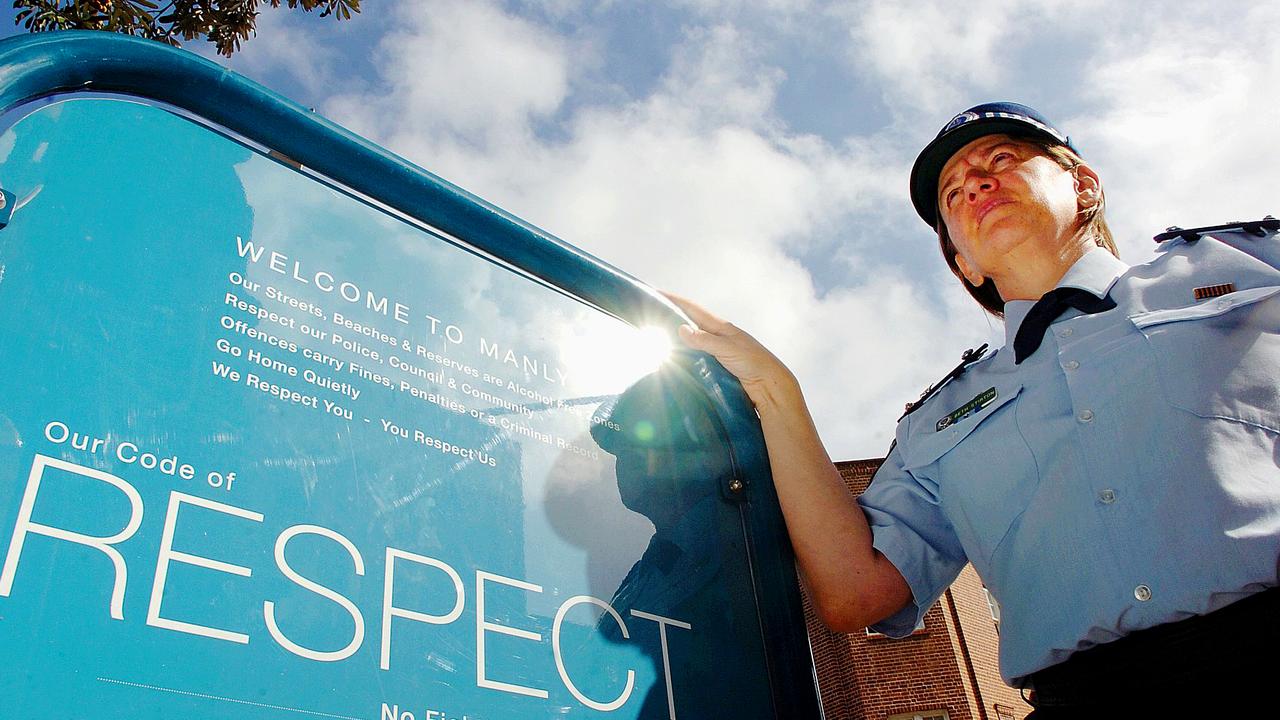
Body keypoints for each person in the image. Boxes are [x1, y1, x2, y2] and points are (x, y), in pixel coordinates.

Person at [667, 101, 1280, 715]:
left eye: (1002, 160)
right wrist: (777, 391)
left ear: (1084, 184)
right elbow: (856, 593)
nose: (976, 185)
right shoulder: (939, 421)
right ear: (962, 260)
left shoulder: (1249, 265)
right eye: (953, 194)